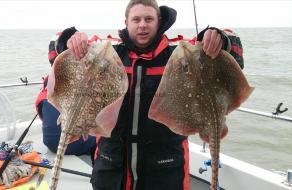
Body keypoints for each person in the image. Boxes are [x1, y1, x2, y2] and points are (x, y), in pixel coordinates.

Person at [51, 0, 243, 189]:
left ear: (158, 21)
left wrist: (218, 38)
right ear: (126, 22)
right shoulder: (109, 52)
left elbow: (234, 52)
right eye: (136, 19)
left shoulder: (178, 53)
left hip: (165, 170)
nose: (142, 25)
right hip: (111, 167)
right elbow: (54, 52)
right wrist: (71, 39)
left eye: (149, 19)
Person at [35, 32, 97, 158]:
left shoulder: (50, 82)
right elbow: (53, 140)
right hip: (71, 143)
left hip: (56, 141)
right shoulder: (54, 91)